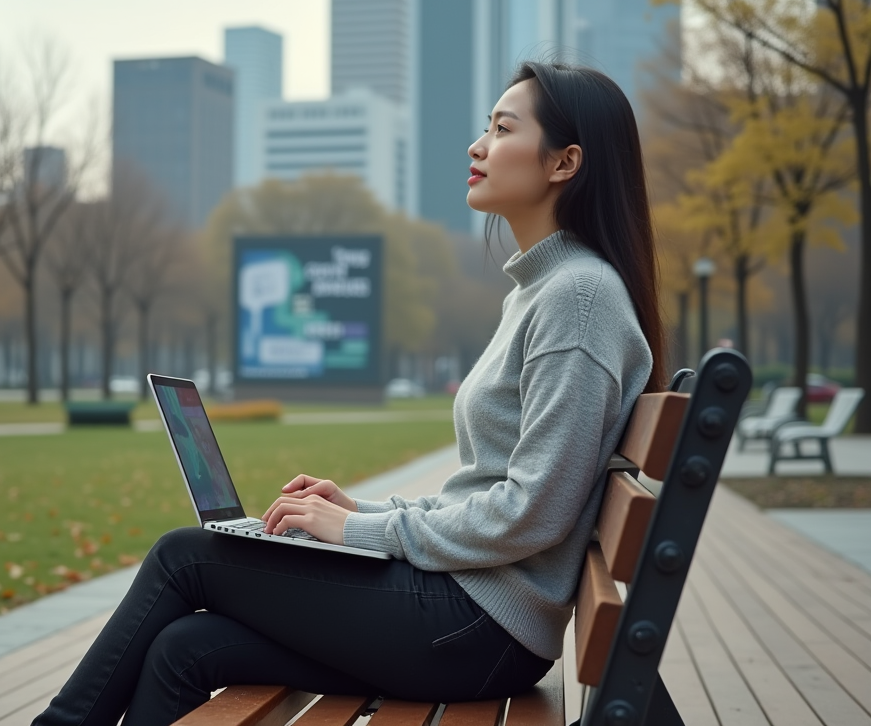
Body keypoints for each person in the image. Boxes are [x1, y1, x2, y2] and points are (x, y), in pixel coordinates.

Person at [32, 61, 664, 726]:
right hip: (465, 615)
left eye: (503, 130)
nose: (477, 147)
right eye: (485, 128)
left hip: (475, 629)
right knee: (183, 649)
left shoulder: (578, 298)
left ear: (565, 163)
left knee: (183, 556)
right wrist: (356, 509)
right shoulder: (546, 291)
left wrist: (364, 531)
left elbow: (534, 510)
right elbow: (495, 492)